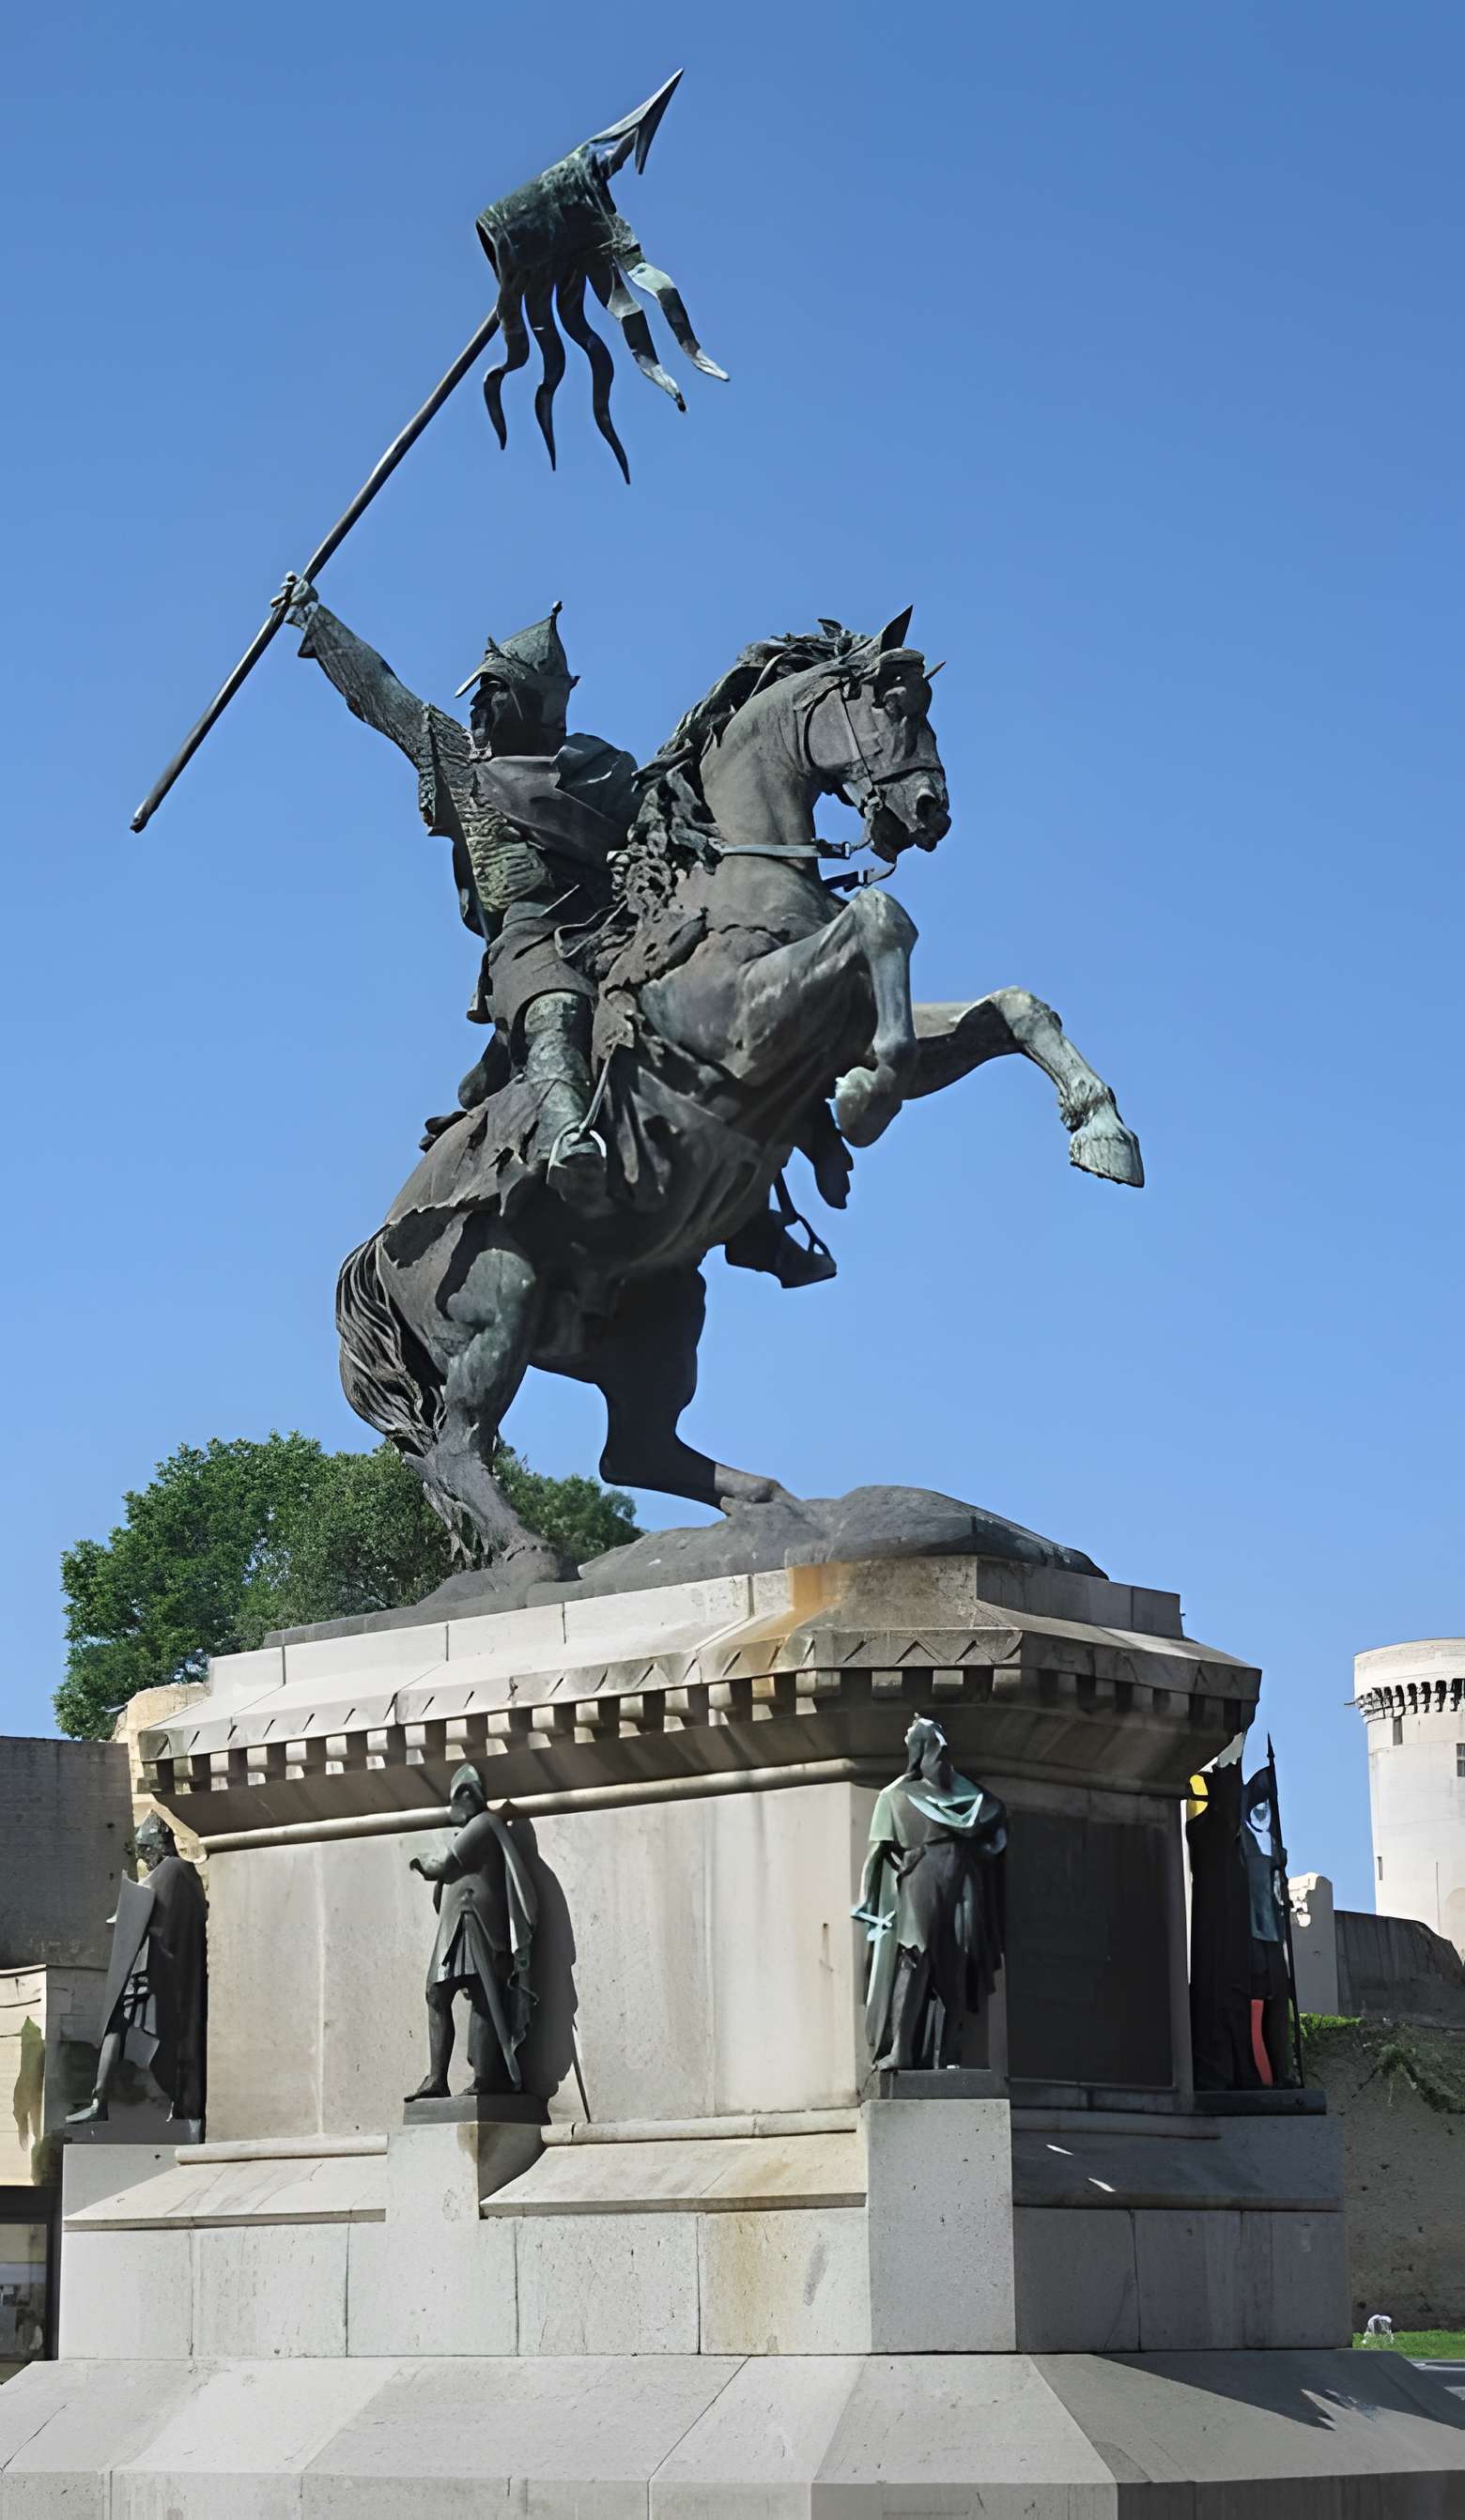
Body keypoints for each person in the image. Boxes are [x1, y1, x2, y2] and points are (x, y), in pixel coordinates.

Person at [281, 576, 636, 1201]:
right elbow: (380, 692)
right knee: (555, 1009)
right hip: (530, 945)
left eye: (493, 695)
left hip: (611, 933)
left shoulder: (603, 770)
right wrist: (315, 619)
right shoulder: (463, 767)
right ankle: (566, 1140)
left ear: (531, 705)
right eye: (478, 696)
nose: (477, 708)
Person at [854, 1715, 1007, 2070]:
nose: (943, 1753)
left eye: (942, 1746)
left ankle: (948, 2054)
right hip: (921, 1876)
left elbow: (995, 1819)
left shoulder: (968, 1795)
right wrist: (869, 1901)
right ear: (919, 1751)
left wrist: (986, 1848)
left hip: (962, 1879)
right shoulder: (896, 1797)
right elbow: (877, 1856)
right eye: (934, 1746)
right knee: (915, 1955)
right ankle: (901, 2049)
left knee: (958, 1962)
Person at [407, 1763, 537, 2100]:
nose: (452, 1808)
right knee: (442, 1995)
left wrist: (418, 1861)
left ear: (466, 1795)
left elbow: (442, 1865)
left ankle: (482, 2079)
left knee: (478, 1996)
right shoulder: (481, 1827)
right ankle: (440, 2079)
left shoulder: (483, 1824)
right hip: (459, 1925)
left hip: (473, 1924)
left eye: (455, 1799)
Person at [67, 1815, 207, 2126]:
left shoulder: (171, 1872)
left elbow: (164, 1927)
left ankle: (103, 2103)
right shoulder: (184, 1875)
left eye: (145, 1850)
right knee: (126, 2029)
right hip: (159, 1971)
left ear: (159, 1844)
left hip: (156, 1972)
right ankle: (104, 2102)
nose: (143, 1858)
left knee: (124, 2027)